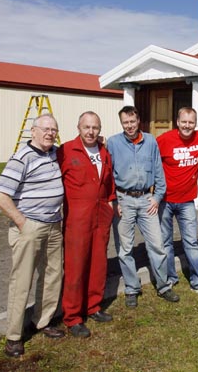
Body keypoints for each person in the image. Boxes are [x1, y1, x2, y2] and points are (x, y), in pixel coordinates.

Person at [0, 113, 65, 358]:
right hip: (30, 227)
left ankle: (42, 321)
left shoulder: (54, 153)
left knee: (53, 275)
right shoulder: (22, 157)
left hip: (54, 225)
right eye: (45, 129)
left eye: (53, 129)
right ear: (32, 131)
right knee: (22, 281)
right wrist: (22, 222)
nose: (50, 133)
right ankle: (13, 337)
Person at [106, 106, 180, 308]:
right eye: (125, 123)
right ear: (121, 123)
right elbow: (108, 175)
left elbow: (159, 172)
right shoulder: (113, 143)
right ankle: (131, 287)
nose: (129, 126)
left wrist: (157, 197)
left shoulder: (150, 141)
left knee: (157, 244)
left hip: (147, 199)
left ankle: (164, 285)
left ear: (138, 121)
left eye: (132, 121)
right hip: (124, 200)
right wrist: (113, 200)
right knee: (125, 248)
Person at [56, 111, 115, 338]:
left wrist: (110, 204)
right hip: (77, 218)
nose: (91, 132)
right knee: (75, 266)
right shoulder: (66, 151)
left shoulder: (103, 152)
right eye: (86, 127)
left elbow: (109, 182)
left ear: (100, 130)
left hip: (100, 216)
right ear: (78, 127)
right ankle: (72, 316)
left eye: (95, 128)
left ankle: (93, 306)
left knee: (98, 263)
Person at [156, 107, 198, 298]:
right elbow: (146, 154)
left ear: (195, 123)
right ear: (177, 121)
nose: (187, 126)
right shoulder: (164, 140)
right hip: (165, 201)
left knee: (191, 242)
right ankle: (169, 278)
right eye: (184, 122)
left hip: (187, 202)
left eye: (191, 122)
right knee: (165, 243)